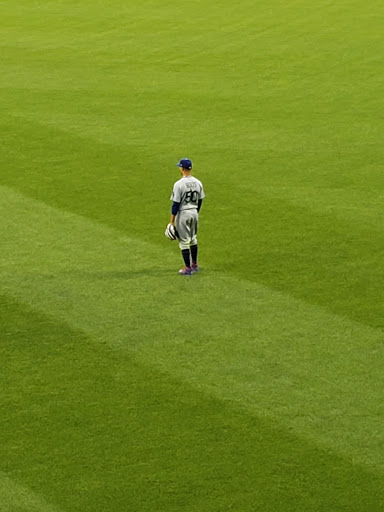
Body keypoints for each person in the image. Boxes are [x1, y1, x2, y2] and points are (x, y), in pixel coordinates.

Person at [168, 158, 205, 275]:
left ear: (182, 168)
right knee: (193, 238)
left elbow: (176, 204)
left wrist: (171, 222)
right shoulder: (198, 182)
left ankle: (188, 268)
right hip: (194, 212)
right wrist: (196, 212)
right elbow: (200, 200)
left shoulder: (178, 184)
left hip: (183, 213)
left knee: (183, 241)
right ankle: (194, 264)